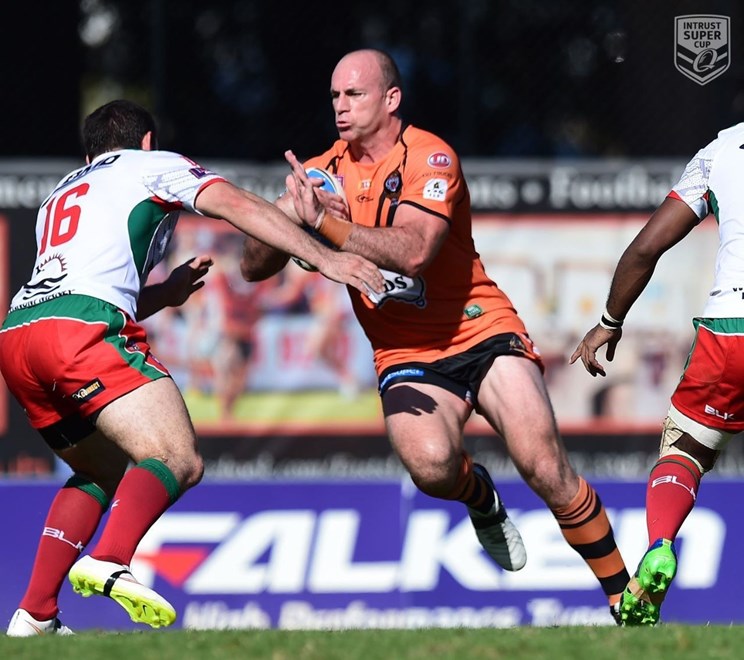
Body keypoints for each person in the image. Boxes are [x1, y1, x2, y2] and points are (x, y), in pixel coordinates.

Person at [239, 49, 630, 623]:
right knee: (430, 466)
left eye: (355, 94)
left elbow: (415, 251)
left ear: (391, 99)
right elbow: (251, 265)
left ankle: (626, 600)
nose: (341, 106)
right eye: (335, 96)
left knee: (545, 466)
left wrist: (325, 223)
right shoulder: (322, 173)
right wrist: (290, 218)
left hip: (478, 328)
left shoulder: (431, 156)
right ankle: (480, 497)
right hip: (404, 351)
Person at [1, 99, 383, 636]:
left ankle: (35, 613)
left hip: (18, 333)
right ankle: (109, 559)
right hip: (79, 330)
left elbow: (83, 284)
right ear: (147, 142)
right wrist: (327, 258)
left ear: (89, 155)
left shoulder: (58, 195)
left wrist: (165, 293)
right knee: (177, 457)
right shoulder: (151, 164)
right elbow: (235, 204)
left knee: (98, 470)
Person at [570, 122, 744, 626]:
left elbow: (646, 247)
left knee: (685, 449)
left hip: (732, 328)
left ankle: (661, 543)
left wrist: (609, 322)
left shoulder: (723, 149)